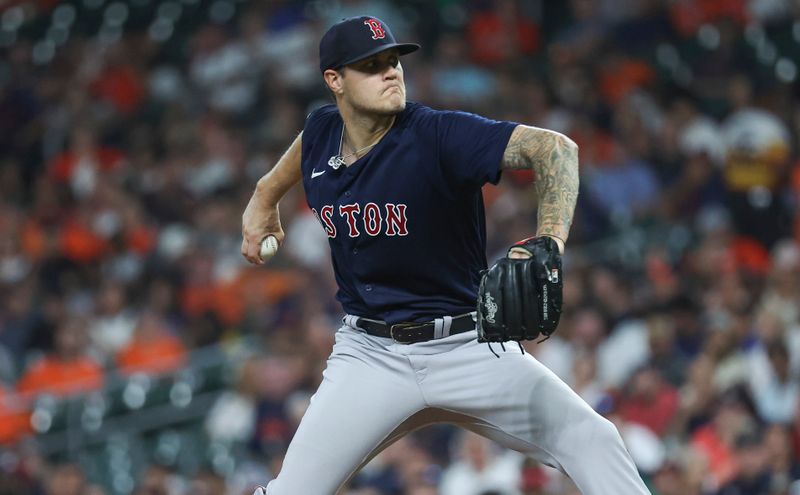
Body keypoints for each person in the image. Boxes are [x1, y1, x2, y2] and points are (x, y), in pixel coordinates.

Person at [241, 16, 649, 495]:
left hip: (467, 345)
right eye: (371, 66)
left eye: (393, 60)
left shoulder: (437, 134)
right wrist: (264, 196)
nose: (391, 71)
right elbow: (306, 146)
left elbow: (555, 149)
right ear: (335, 81)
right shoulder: (321, 133)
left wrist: (551, 240)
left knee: (592, 438)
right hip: (371, 356)